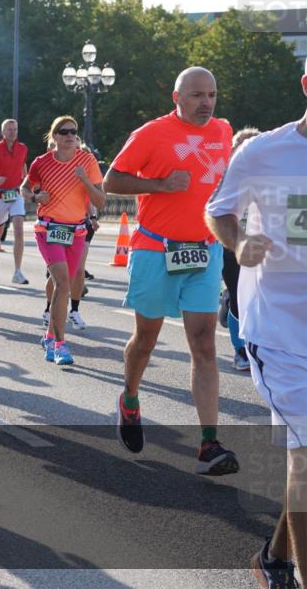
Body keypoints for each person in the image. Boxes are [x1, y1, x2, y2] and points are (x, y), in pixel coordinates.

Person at [104, 66, 237, 475]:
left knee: (204, 344)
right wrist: (161, 185)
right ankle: (129, 399)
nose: (206, 103)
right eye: (197, 95)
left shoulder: (223, 132)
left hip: (205, 250)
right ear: (177, 98)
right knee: (146, 340)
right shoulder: (150, 134)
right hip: (155, 249)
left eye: (212, 95)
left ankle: (209, 444)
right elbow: (111, 182)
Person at [205, 61, 307, 588]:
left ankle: (273, 558)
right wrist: (239, 241)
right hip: (280, 333)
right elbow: (218, 209)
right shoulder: (264, 152)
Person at [23, 116, 105, 366]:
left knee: (65, 284)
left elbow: (101, 201)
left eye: (73, 131)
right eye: (64, 131)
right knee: (62, 282)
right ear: (55, 136)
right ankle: (60, 345)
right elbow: (24, 189)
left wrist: (84, 181)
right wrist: (36, 197)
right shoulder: (42, 163)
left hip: (76, 231)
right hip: (48, 229)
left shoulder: (87, 162)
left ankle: (49, 336)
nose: (70, 135)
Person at [217, 127, 260, 372]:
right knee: (238, 294)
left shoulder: (272, 175)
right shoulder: (223, 177)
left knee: (258, 297)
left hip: (263, 247)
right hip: (230, 246)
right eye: (243, 147)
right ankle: (240, 350)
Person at [0, 119, 30, 285]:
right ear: (3, 132)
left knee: (19, 230)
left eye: (15, 129)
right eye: (9, 130)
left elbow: (23, 165)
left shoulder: (22, 148)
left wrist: (27, 182)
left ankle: (18, 271)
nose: (12, 132)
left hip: (16, 194)